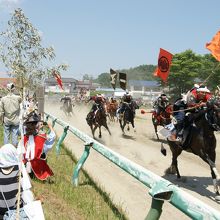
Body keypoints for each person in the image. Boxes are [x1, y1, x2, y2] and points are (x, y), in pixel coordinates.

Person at [22, 112, 56, 180]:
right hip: (37, 163)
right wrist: (50, 127)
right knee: (43, 151)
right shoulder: (42, 137)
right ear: (37, 125)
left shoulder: (24, 137)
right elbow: (53, 136)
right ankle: (39, 172)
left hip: (25, 162)